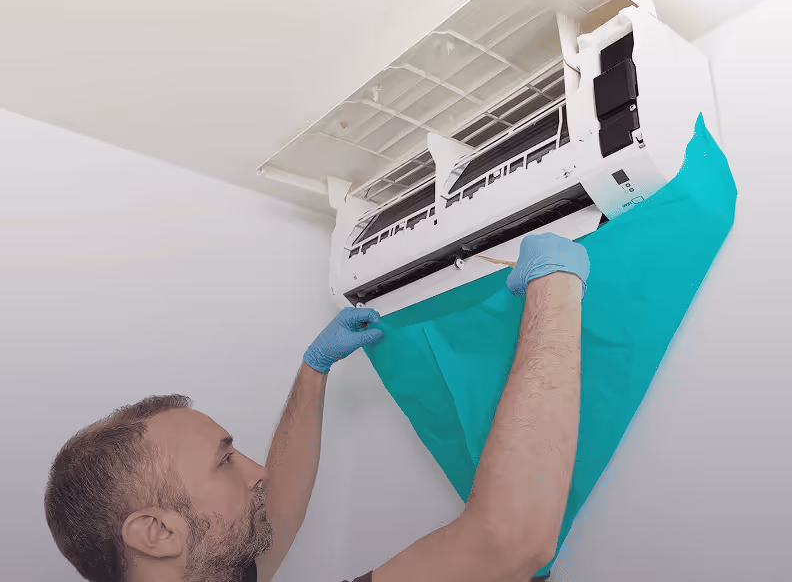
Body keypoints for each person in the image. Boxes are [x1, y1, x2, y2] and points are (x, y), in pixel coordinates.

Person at [45, 232, 589, 582]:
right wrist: (557, 290)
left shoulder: (214, 565)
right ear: (157, 532)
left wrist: (314, 370)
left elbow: (277, 511)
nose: (258, 471)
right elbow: (510, 541)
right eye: (225, 461)